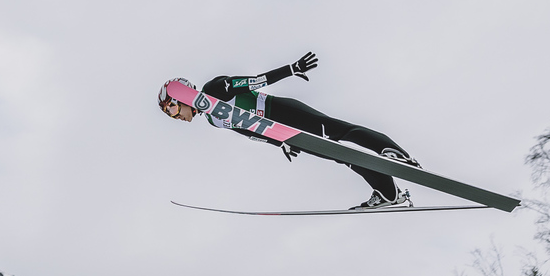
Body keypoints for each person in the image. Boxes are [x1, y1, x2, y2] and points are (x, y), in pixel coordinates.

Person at [158, 53, 422, 209]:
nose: (175, 117)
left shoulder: (214, 89)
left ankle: (395, 153)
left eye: (172, 109)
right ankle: (389, 193)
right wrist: (279, 143)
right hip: (282, 131)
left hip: (281, 111)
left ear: (181, 96)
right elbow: (248, 130)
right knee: (340, 155)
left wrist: (290, 70)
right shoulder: (213, 119)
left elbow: (252, 82)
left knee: (338, 131)